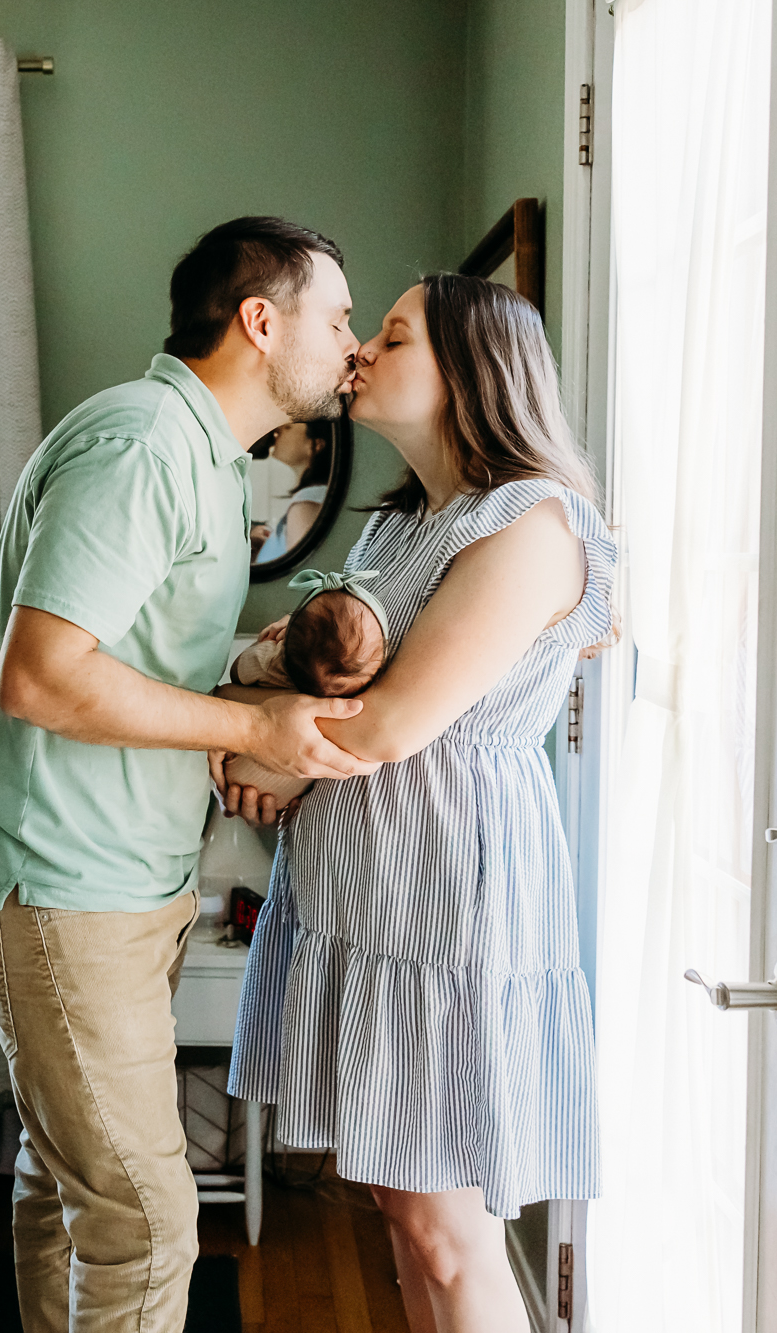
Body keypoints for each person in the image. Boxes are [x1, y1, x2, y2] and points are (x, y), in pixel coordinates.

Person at [0, 216, 371, 1333]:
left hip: (115, 872)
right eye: (338, 316)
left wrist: (252, 665)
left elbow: (129, 654)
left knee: (63, 1184)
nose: (351, 341)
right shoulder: (139, 446)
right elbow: (42, 676)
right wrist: (249, 730)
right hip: (63, 875)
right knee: (148, 1219)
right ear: (260, 322)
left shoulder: (208, 463)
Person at [218, 274, 616, 1333]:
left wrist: (273, 761)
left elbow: (388, 726)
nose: (359, 353)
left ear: (469, 374)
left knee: (447, 1234)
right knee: (402, 1215)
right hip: (364, 892)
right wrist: (270, 721)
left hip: (444, 896)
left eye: (389, 337)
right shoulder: (400, 526)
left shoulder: (529, 522)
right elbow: (311, 681)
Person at [224, 569, 392, 802]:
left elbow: (238, 672)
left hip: (234, 770)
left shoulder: (270, 661)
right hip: (282, 794)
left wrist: (264, 645)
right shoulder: (351, 704)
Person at [250, 418, 334, 561]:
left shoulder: (306, 505)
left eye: (288, 427)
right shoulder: (313, 499)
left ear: (316, 445)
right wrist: (268, 546)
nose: (277, 431)